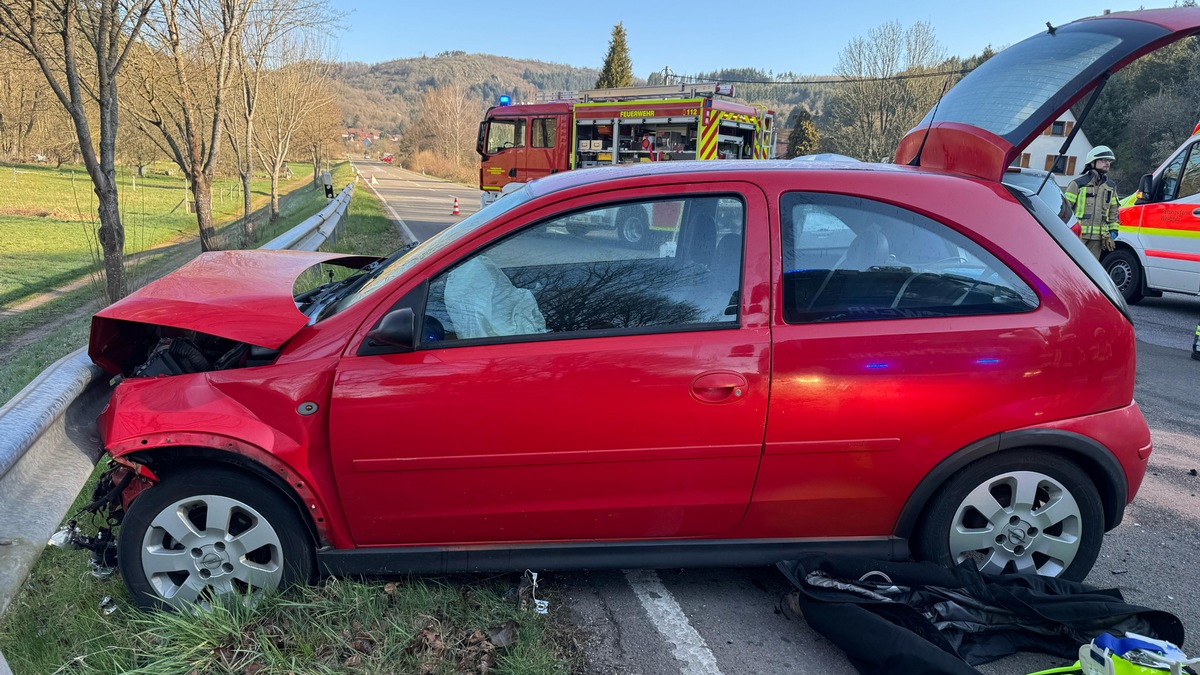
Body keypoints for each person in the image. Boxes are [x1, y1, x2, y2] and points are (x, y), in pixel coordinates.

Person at [1063, 146, 1121, 260]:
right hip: (1077, 237)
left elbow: (1114, 212)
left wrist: (1113, 232)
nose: (1107, 163)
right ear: (1092, 162)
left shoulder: (1110, 187)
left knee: (1089, 270)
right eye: (1103, 160)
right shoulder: (1078, 184)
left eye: (1109, 161)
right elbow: (1065, 210)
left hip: (1098, 239)